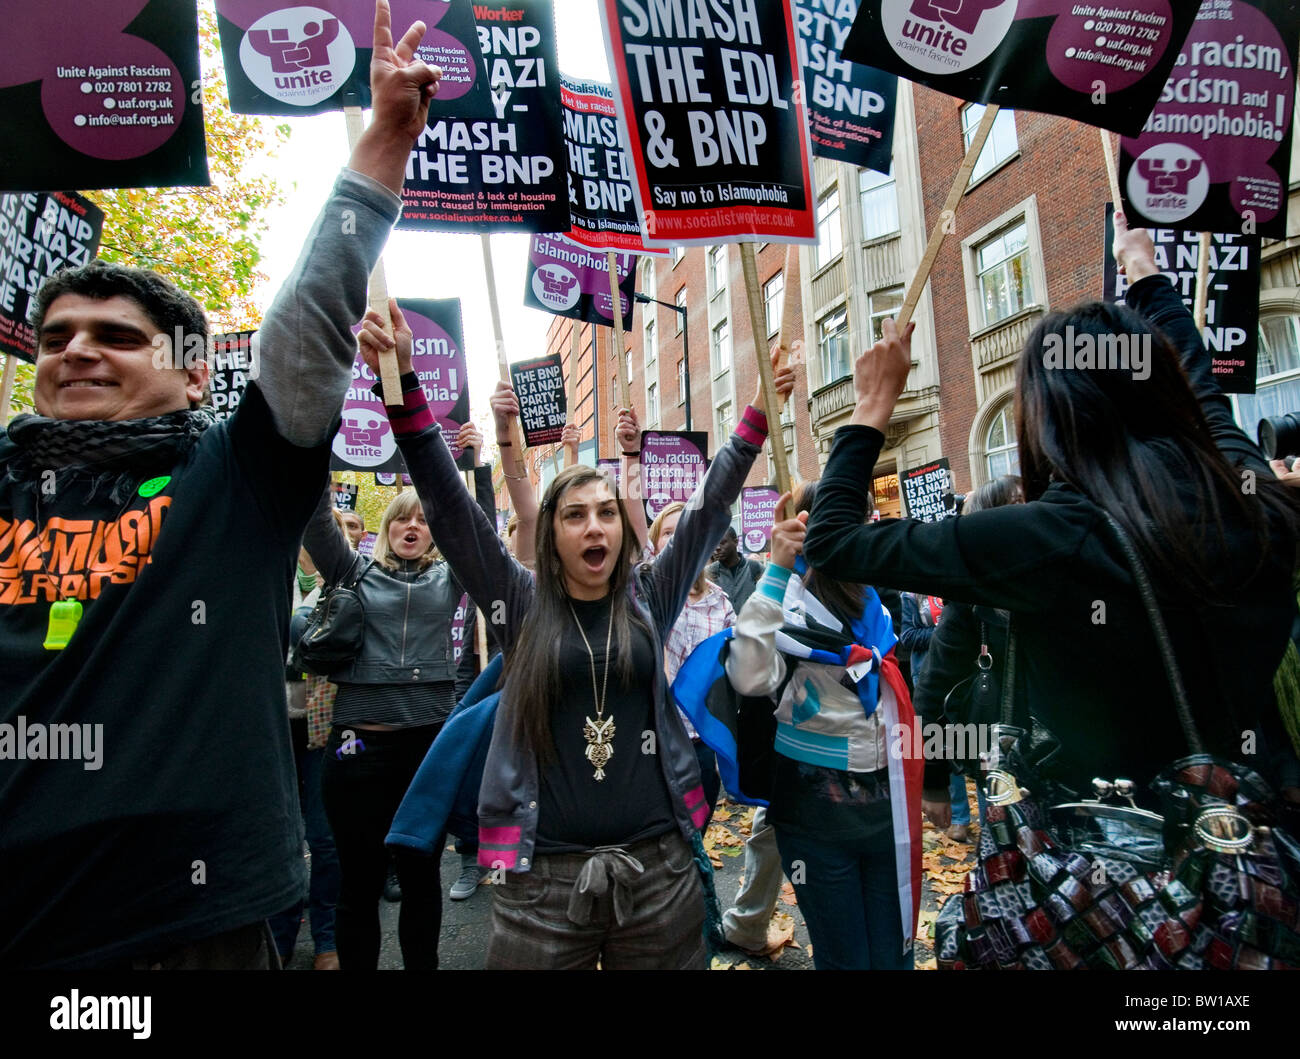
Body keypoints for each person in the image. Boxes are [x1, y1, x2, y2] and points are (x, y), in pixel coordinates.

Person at [0, 1, 441, 969]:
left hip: (186, 919)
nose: (79, 349)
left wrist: (378, 152)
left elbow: (303, 331)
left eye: (117, 337)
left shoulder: (233, 477)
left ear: (197, 370)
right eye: (58, 336)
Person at [803, 213, 1300, 814]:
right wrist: (1146, 278)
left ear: (1049, 416)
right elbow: (1202, 391)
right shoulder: (1249, 495)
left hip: (1111, 866)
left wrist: (874, 401)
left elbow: (831, 540)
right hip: (1252, 842)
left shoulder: (1048, 538)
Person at [356, 304, 794, 968]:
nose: (595, 527)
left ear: (621, 532)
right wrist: (405, 387)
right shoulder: (519, 601)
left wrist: (760, 410)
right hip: (540, 885)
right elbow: (450, 508)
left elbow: (709, 504)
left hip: (659, 873)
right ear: (551, 535)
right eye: (575, 514)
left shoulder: (652, 592)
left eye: (607, 514)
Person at [303, 420, 491, 970]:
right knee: (358, 880)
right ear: (385, 527)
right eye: (402, 517)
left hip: (426, 751)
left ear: (434, 531)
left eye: (423, 518)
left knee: (419, 878)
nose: (413, 524)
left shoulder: (450, 577)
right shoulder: (349, 570)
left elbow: (475, 529)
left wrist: (475, 465)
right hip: (356, 750)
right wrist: (317, 440)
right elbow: (316, 519)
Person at [725, 482, 920, 970]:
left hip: (886, 811)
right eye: (857, 517)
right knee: (845, 960)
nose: (869, 529)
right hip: (816, 821)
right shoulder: (783, 600)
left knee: (894, 957)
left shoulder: (875, 597)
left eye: (870, 516)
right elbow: (748, 673)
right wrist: (775, 567)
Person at [911, 475, 1025, 841]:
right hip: (1005, 756)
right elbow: (933, 687)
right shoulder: (969, 597)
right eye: (1018, 505)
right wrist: (933, 783)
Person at [650, 500, 735, 821]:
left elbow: (734, 669)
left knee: (696, 831)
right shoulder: (643, 595)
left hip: (701, 740)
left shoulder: (721, 602)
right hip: (654, 737)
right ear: (655, 543)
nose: (676, 540)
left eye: (685, 532)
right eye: (668, 533)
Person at [707, 526, 763, 613]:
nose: (717, 548)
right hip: (723, 626)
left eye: (722, 542)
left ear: (736, 542)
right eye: (713, 544)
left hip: (752, 625)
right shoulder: (708, 573)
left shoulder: (755, 568)